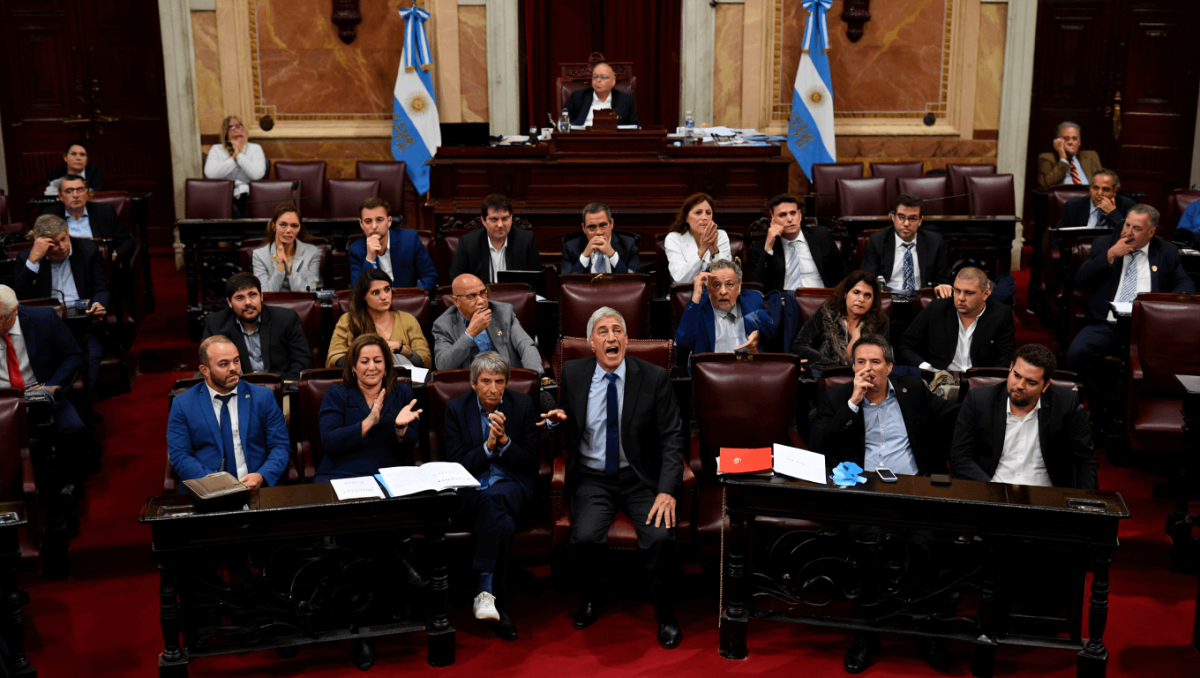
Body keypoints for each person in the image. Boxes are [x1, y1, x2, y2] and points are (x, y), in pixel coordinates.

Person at [809, 334, 960, 674]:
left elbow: (955, 416)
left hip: (915, 491)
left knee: (926, 544)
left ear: (889, 366)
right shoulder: (836, 397)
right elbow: (821, 445)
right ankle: (867, 633)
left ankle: (926, 628)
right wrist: (853, 403)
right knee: (867, 544)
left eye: (875, 362)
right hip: (863, 496)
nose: (868, 369)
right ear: (852, 369)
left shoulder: (913, 391)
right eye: (860, 363)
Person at [540, 307, 684, 649]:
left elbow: (672, 438)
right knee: (586, 537)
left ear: (627, 340)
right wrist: (556, 421)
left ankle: (665, 614)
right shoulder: (573, 373)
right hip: (592, 476)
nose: (611, 337)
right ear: (591, 343)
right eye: (602, 332)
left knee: (661, 537)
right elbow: (560, 428)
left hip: (639, 477)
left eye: (617, 330)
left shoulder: (653, 377)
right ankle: (591, 598)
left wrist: (667, 491)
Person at [443, 352, 539, 640]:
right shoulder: (456, 410)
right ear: (473, 383)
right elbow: (456, 465)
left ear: (507, 383)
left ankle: (484, 588)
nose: (493, 388)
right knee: (502, 523)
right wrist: (487, 447)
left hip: (512, 488)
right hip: (471, 493)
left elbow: (531, 463)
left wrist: (506, 443)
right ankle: (496, 599)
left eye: (499, 381)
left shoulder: (522, 406)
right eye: (486, 381)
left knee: (494, 500)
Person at [1065, 204, 1194, 373]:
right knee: (1076, 354)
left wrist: (1162, 305)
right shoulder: (1104, 245)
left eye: (1137, 228)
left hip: (1148, 327)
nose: (1128, 232)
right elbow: (1080, 280)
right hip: (1108, 325)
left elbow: (1185, 283)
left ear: (1151, 232)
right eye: (1127, 225)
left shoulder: (1166, 252)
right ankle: (1098, 400)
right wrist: (1110, 255)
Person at [950, 344, 1098, 489]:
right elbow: (960, 457)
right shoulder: (979, 400)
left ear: (1046, 385)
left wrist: (1084, 505)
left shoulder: (1066, 405)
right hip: (993, 493)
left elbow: (1086, 461)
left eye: (1031, 382)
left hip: (1045, 498)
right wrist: (991, 489)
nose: (1019, 385)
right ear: (1010, 367)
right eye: (1016, 375)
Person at [166, 335, 290, 487]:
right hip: (208, 491)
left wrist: (262, 475)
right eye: (223, 364)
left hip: (256, 487)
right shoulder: (183, 404)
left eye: (236, 361)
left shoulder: (262, 397)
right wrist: (213, 484)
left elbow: (280, 446)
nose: (233, 369)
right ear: (205, 370)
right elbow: (180, 455)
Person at [13, 215, 109, 391]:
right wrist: (34, 260)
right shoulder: (27, 259)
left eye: (63, 239)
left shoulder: (87, 249)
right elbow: (20, 301)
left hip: (83, 321)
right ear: (40, 243)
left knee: (91, 359)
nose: (61, 247)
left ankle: (80, 404)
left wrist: (98, 305)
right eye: (53, 244)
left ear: (67, 232)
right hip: (47, 328)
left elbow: (101, 288)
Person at [314, 334, 421, 482]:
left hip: (387, 476)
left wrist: (401, 430)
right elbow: (329, 442)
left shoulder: (402, 392)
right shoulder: (337, 393)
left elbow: (410, 445)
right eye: (364, 361)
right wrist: (367, 423)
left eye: (378, 361)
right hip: (340, 474)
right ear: (353, 367)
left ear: (386, 366)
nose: (372, 367)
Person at [0, 285, 88, 444]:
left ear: (15, 310)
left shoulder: (44, 318)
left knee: (74, 432)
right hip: (3, 401)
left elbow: (73, 355)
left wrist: (52, 385)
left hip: (40, 395)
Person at [896, 267, 1015, 371]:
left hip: (980, 385)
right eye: (957, 291)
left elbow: (1006, 358)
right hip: (939, 381)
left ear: (985, 294)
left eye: (969, 293)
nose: (961, 298)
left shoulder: (1001, 314)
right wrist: (927, 369)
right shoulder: (937, 309)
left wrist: (986, 383)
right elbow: (905, 345)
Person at [201, 272, 314, 381]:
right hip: (238, 389)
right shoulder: (216, 324)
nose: (248, 302)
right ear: (229, 302)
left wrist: (284, 389)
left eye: (253, 295)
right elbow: (208, 364)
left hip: (279, 388)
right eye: (240, 298)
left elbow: (302, 360)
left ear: (261, 297)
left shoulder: (286, 319)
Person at [674, 259, 777, 370]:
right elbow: (682, 345)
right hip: (711, 374)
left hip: (749, 371)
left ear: (739, 285)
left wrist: (757, 334)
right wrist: (696, 296)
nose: (723, 291)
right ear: (709, 288)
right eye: (716, 285)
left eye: (729, 284)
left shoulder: (752, 300)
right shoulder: (699, 308)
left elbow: (772, 332)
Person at [432, 274, 543, 374]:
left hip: (506, 378)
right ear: (456, 301)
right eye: (471, 296)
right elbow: (443, 366)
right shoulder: (443, 325)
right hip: (472, 385)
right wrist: (470, 334)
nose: (481, 301)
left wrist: (534, 375)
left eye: (483, 293)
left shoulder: (503, 312)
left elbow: (525, 345)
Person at [791, 270, 889, 377]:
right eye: (856, 292)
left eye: (868, 295)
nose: (861, 299)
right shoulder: (827, 313)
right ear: (846, 294)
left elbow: (877, 359)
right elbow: (799, 345)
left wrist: (856, 338)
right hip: (825, 375)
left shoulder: (879, 321)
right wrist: (831, 365)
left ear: (873, 300)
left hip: (863, 378)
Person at [326, 269, 430, 368]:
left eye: (387, 289)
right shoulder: (348, 320)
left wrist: (402, 349)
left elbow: (426, 361)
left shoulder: (407, 319)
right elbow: (333, 360)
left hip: (402, 382)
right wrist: (366, 357)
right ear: (363, 296)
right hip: (362, 381)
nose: (384, 297)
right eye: (376, 292)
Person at [861, 193, 952, 298]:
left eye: (912, 218)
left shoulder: (934, 242)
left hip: (921, 301)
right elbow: (868, 279)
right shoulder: (877, 241)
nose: (906, 223)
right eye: (901, 217)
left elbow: (942, 281)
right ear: (893, 218)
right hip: (889, 301)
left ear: (920, 221)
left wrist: (942, 286)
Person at [748, 193, 846, 292]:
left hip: (821, 297)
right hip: (785, 301)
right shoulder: (762, 246)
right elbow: (757, 285)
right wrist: (768, 247)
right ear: (772, 219)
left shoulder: (821, 236)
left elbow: (843, 274)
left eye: (793, 213)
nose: (790, 219)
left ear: (799, 215)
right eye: (783, 215)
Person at [41, 175, 135, 265]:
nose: (75, 195)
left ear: (87, 193)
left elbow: (126, 241)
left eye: (80, 190)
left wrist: (113, 254)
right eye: (69, 191)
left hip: (98, 265)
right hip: (65, 265)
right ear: (60, 196)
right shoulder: (50, 215)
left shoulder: (105, 211)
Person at [348, 197, 437, 291]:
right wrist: (370, 259)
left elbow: (430, 277)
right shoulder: (356, 250)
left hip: (407, 301)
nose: (374, 226)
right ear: (361, 224)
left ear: (389, 221)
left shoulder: (410, 240)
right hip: (376, 304)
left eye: (379, 220)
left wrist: (411, 297)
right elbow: (356, 292)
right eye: (368, 221)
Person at [448, 195, 540, 283]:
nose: (500, 225)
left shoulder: (526, 240)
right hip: (481, 297)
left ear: (511, 218)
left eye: (505, 219)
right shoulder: (468, 243)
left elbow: (537, 282)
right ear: (484, 221)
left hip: (515, 297)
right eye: (494, 220)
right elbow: (457, 280)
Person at [203, 115, 267, 217]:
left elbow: (257, 175)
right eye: (232, 127)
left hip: (249, 197)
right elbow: (210, 174)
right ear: (225, 132)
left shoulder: (255, 148)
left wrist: (239, 156)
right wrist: (233, 159)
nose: (237, 130)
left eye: (239, 126)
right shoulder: (216, 149)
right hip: (223, 197)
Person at [251, 204, 322, 293]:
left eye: (294, 225)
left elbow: (310, 292)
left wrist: (289, 267)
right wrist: (280, 268)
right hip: (272, 305)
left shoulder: (313, 253)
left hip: (302, 306)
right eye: (283, 224)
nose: (288, 230)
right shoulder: (259, 255)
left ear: (299, 228)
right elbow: (265, 294)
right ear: (274, 226)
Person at [663, 193, 731, 286]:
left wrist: (714, 252)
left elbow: (725, 277)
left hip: (716, 294)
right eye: (698, 212)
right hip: (685, 295)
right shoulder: (673, 238)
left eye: (708, 213)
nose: (704, 217)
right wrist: (702, 250)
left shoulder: (721, 236)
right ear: (686, 217)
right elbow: (681, 279)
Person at [560, 202, 641, 275]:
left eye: (602, 226)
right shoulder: (570, 248)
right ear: (583, 228)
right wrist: (585, 256)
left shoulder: (629, 244)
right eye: (591, 227)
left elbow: (634, 280)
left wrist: (612, 254)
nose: (598, 232)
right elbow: (566, 283)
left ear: (611, 224)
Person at [565, 59, 640, 128]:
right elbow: (564, 122)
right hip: (584, 139)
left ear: (613, 81)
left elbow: (636, 127)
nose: (598, 81)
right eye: (595, 77)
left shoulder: (625, 100)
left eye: (603, 77)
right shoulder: (578, 97)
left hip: (614, 140)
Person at [1054, 169, 1136, 231]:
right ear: (1089, 188)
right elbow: (1056, 235)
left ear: (1114, 191)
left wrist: (1113, 213)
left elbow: (1133, 236)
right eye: (1095, 188)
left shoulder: (1128, 206)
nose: (1099, 193)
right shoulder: (1073, 206)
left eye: (1105, 189)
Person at [1037, 121, 1103, 190]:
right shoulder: (1046, 158)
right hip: (1064, 199)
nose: (1071, 142)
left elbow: (1102, 183)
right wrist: (1063, 158)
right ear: (1057, 142)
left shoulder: (1091, 156)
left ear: (1079, 143)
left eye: (1074, 139)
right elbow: (1046, 186)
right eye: (1066, 138)